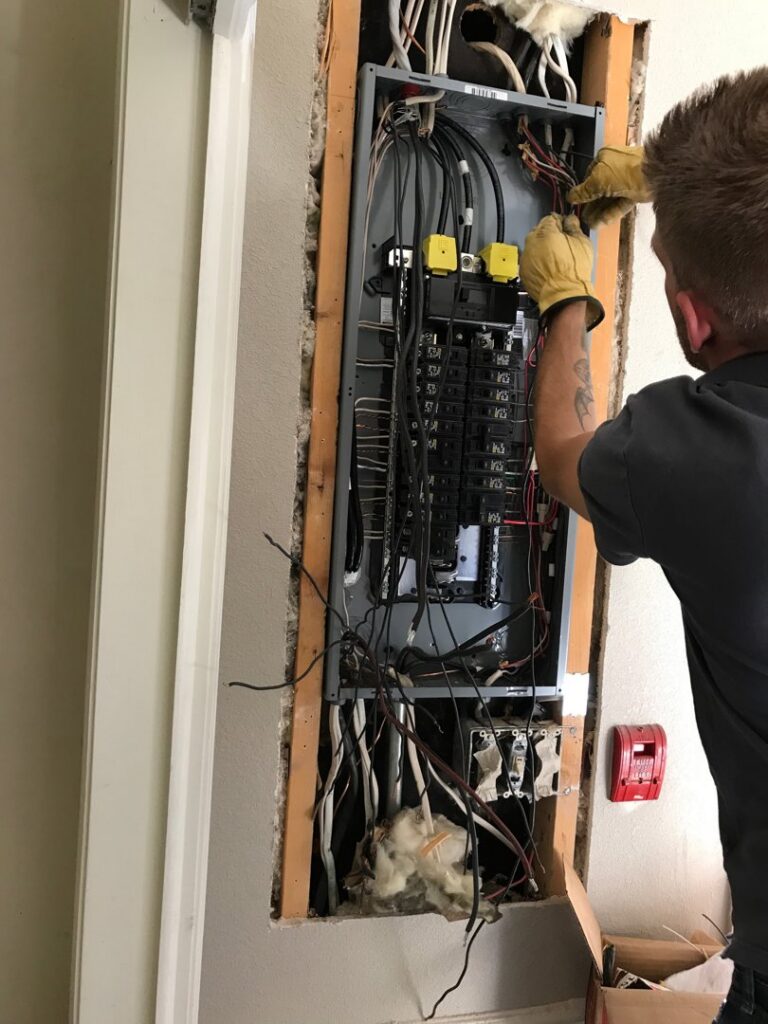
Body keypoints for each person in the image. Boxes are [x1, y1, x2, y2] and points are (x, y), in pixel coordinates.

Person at [518, 67, 768, 1024]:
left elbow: (560, 459)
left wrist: (564, 307)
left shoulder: (705, 458)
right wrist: (676, 182)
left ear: (695, 318)